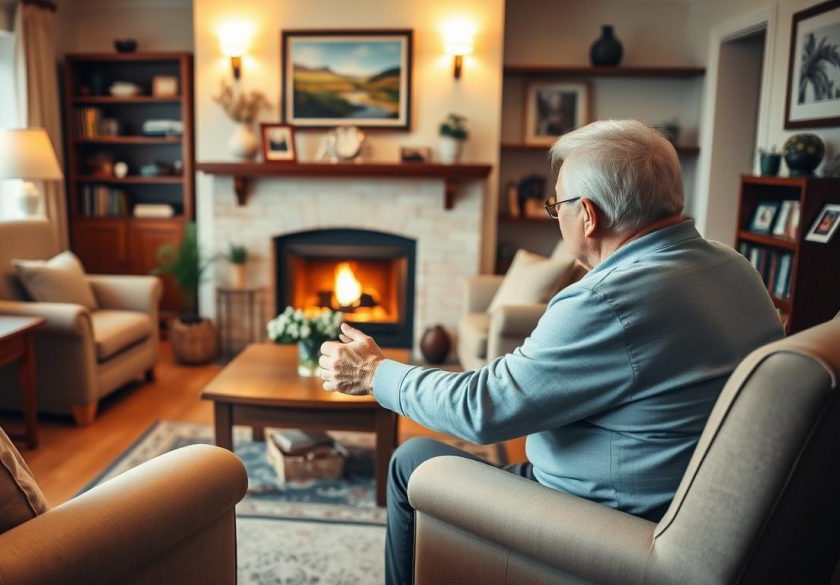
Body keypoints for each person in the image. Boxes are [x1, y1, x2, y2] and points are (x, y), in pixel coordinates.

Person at [318, 120, 784, 585]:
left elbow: (481, 410)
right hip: (697, 512)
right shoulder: (735, 267)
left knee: (412, 462)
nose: (554, 215)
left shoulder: (609, 299)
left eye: (555, 204)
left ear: (588, 214)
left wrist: (375, 373)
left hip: (611, 525)